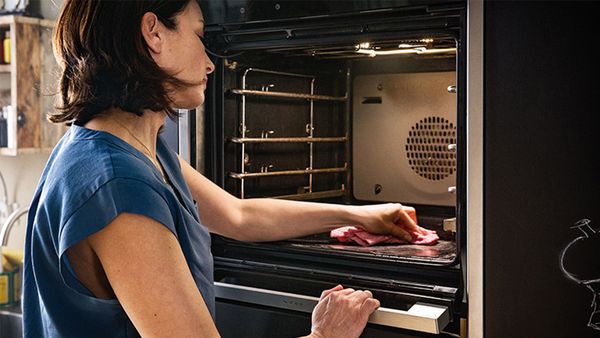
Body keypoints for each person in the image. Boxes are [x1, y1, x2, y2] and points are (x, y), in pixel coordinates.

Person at [23, 1, 421, 337]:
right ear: (153, 34)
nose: (211, 62)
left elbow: (239, 215)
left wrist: (361, 215)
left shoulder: (132, 152)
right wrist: (325, 334)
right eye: (199, 35)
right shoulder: (116, 184)